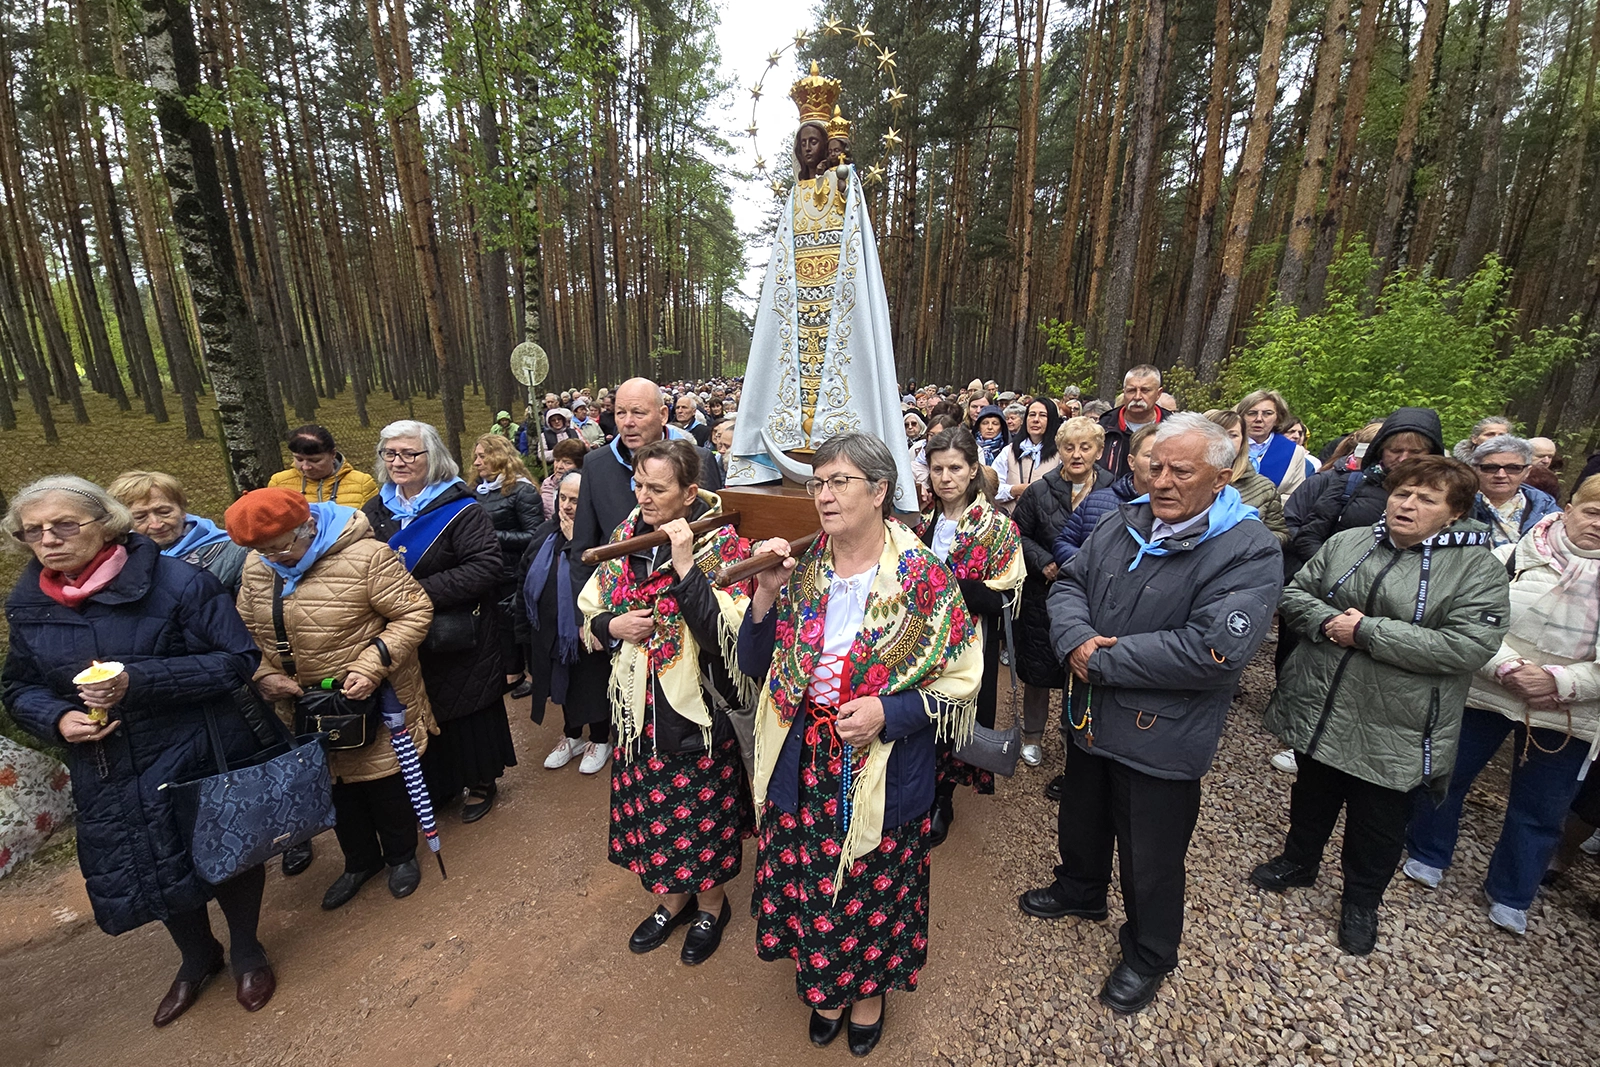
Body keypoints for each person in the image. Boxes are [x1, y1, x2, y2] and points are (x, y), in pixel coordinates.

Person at [1021, 414, 1282, 1014]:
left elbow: (1214, 650)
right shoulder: (1125, 519)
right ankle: (1081, 889)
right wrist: (1076, 639)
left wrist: (1098, 660)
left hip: (1160, 735)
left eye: (1180, 471)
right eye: (1155, 466)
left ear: (1221, 477)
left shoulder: (1248, 549)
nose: (1161, 481)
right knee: (1082, 817)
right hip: (1091, 714)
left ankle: (1149, 952)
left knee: (1151, 855)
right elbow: (1069, 586)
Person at [738, 432, 981, 1056]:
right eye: (818, 482)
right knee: (811, 876)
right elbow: (758, 664)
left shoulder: (923, 577)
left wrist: (888, 711)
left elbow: (959, 676)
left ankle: (868, 993)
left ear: (879, 491)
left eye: (838, 482)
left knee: (874, 878)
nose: (823, 494)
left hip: (884, 760)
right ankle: (825, 985)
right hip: (805, 755)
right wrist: (764, 594)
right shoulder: (802, 568)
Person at [2, 476, 274, 1025]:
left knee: (222, 848)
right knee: (149, 860)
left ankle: (247, 948)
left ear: (105, 523)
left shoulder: (179, 583)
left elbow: (236, 661)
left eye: (64, 525)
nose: (49, 539)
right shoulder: (29, 603)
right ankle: (198, 957)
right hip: (104, 760)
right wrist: (56, 718)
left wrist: (138, 682)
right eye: (34, 531)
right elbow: (17, 686)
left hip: (194, 744)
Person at [1251, 456, 1508, 956]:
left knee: (1379, 817)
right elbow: (1296, 592)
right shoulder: (1351, 542)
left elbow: (1468, 646)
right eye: (1401, 493)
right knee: (1313, 790)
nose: (1407, 505)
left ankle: (1361, 900)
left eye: (1426, 499)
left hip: (1396, 717)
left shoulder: (1477, 568)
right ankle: (1299, 861)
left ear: (1455, 513)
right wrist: (1330, 624)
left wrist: (1366, 631)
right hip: (1323, 699)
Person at [577, 439, 753, 965]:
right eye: (639, 484)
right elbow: (595, 606)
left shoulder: (722, 542)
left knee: (700, 809)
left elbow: (724, 635)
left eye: (658, 488)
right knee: (652, 807)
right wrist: (614, 624)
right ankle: (672, 898)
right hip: (637, 704)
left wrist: (682, 566)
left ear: (689, 492)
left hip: (695, 705)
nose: (644, 496)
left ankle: (711, 905)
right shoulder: (626, 535)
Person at [1403, 479, 1600, 934]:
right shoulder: (1512, 555)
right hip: (1487, 687)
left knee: (1542, 807)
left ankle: (1512, 892)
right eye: (1591, 512)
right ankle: (1427, 851)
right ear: (1569, 508)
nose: (1597, 525)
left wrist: (1559, 681)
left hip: (1569, 708)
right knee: (1445, 776)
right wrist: (1510, 667)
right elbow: (1466, 615)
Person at [227, 489, 436, 911]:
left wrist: (371, 664)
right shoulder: (257, 566)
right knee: (334, 785)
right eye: (263, 550)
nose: (277, 557)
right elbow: (243, 629)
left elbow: (415, 612)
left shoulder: (368, 556)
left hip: (368, 697)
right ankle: (359, 862)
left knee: (382, 778)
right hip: (302, 704)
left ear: (308, 525)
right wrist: (263, 674)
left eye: (284, 545)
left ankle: (401, 856)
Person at [362, 421, 513, 824]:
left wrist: (410, 596)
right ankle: (442, 781)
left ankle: (481, 780)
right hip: (404, 634)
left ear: (434, 457)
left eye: (410, 453)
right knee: (423, 706)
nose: (399, 461)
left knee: (466, 706)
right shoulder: (374, 510)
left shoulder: (459, 508)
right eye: (390, 454)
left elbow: (484, 568)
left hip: (456, 629)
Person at [919, 426, 1026, 845]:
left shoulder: (997, 527)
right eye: (937, 469)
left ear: (972, 470)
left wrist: (947, 585)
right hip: (920, 642)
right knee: (922, 717)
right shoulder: (922, 523)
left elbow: (1009, 594)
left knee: (955, 719)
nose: (946, 477)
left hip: (969, 642)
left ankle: (942, 798)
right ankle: (919, 790)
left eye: (955, 468)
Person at [1012, 416, 1111, 769]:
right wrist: (1044, 562)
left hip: (1092, 596)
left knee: (1081, 668)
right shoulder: (1041, 489)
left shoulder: (1114, 491)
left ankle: (1072, 733)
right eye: (1069, 447)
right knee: (1039, 669)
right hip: (1044, 592)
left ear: (1099, 451)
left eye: (1086, 447)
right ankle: (1032, 736)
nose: (1077, 454)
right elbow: (1017, 534)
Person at [569, 377, 723, 593]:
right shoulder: (596, 464)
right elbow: (583, 548)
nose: (627, 422)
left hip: (686, 601)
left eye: (638, 413)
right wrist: (591, 620)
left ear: (662, 415)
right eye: (620, 413)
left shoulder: (700, 460)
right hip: (618, 607)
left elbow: (717, 536)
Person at [518, 471, 612, 774]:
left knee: (590, 683)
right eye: (564, 498)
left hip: (586, 632)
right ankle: (572, 735)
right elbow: (524, 578)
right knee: (563, 683)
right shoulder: (545, 532)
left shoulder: (601, 536)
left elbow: (602, 581)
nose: (568, 506)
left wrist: (575, 544)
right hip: (549, 630)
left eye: (576, 500)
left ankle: (599, 738)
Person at [471, 434, 545, 698]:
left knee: (521, 625)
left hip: (517, 571)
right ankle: (512, 674)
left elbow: (535, 535)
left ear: (500, 456)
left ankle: (537, 677)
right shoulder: (477, 491)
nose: (477, 462)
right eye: (476, 457)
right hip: (489, 571)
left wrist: (491, 536)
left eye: (483, 456)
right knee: (500, 626)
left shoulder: (522, 491)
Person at [108, 470, 250, 594]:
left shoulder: (235, 553)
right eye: (140, 517)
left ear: (182, 510)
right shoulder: (115, 558)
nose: (156, 524)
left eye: (164, 512)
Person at [1203, 411, 1289, 545]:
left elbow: (1280, 533)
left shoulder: (1264, 488)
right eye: (1219, 434)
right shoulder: (1181, 480)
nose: (1225, 441)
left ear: (1243, 441)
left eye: (1233, 435)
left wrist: (1250, 544)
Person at [1471, 434, 1561, 549]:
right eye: (1490, 467)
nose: (1501, 475)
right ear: (1474, 469)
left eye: (1513, 468)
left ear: (1527, 472)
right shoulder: (1455, 504)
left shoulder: (1547, 510)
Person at [267, 425, 380, 508]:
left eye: (314, 460)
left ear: (332, 454)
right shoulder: (279, 483)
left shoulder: (362, 484)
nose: (305, 467)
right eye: (299, 459)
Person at [1234, 389, 1314, 499]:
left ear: (1277, 418)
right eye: (1252, 413)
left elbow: (1294, 497)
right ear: (1241, 417)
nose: (1259, 419)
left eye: (1267, 414)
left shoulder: (1293, 452)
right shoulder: (1228, 445)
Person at [993, 399, 1063, 513]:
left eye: (1043, 415)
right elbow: (992, 488)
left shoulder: (1060, 455)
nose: (1035, 420)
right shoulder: (1009, 451)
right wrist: (1015, 490)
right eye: (1032, 415)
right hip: (1010, 521)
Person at [1096, 364, 1165, 479]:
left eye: (1145, 390)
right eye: (1131, 391)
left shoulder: (1172, 429)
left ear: (1158, 394)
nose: (1137, 397)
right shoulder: (1105, 428)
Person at [541, 437, 587, 517]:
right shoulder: (547, 484)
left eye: (567, 463)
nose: (559, 466)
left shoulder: (586, 486)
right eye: (557, 460)